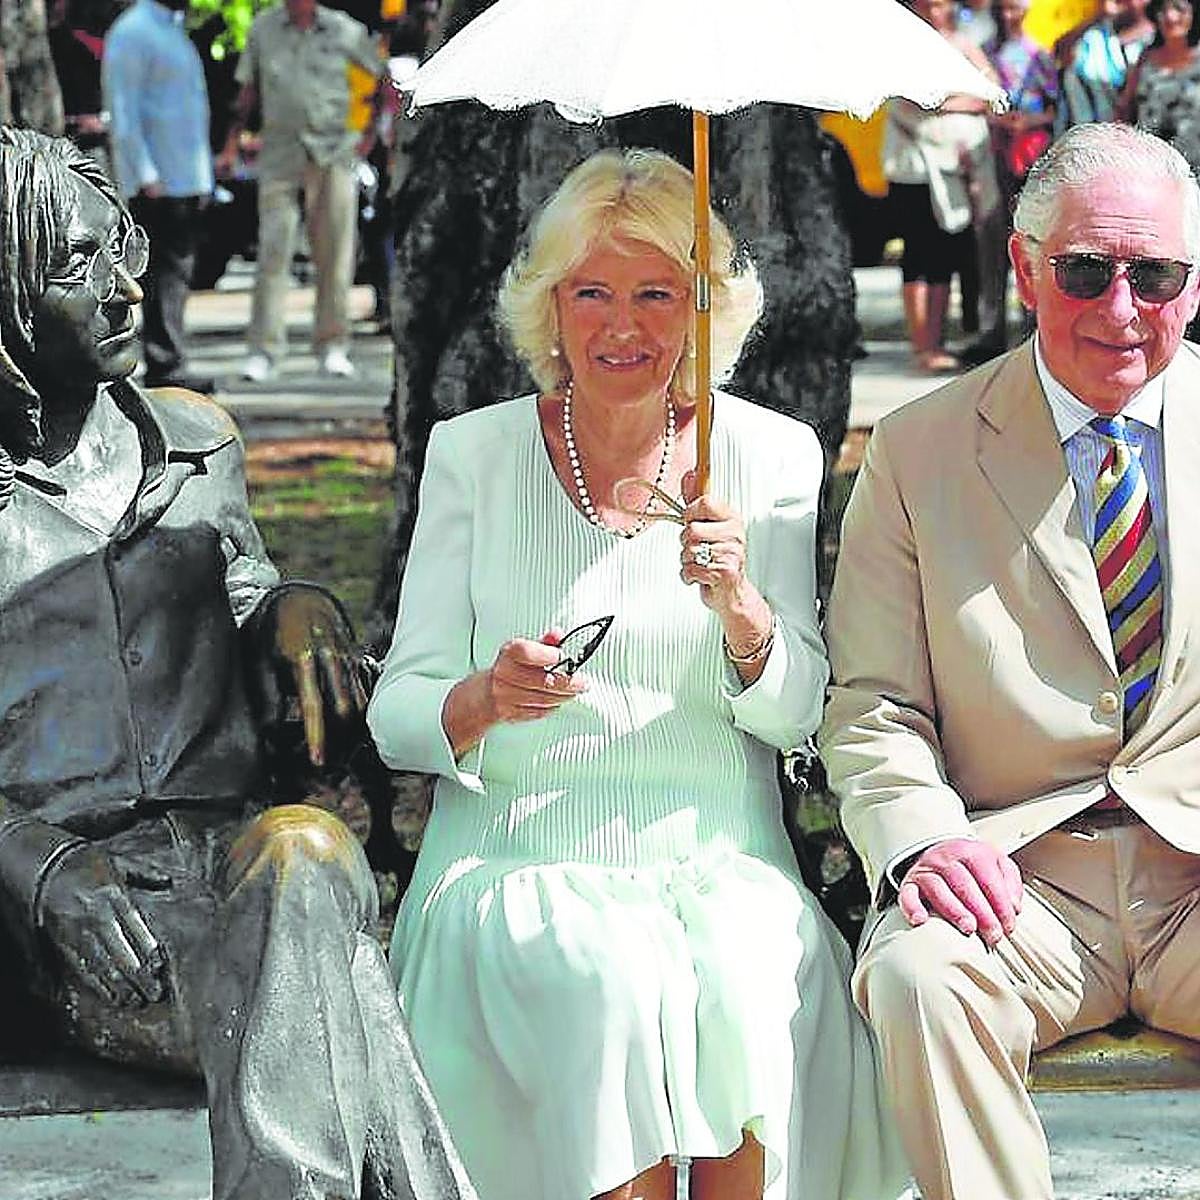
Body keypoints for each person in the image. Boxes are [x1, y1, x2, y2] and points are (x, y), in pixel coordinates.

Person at [366, 147, 908, 1200]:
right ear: (550, 309)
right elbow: (398, 716)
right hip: (520, 860)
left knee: (755, 979)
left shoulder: (772, 456)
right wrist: (483, 699)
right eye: (594, 293)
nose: (624, 326)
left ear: (704, 310)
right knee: (604, 981)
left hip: (721, 860)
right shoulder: (473, 454)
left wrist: (744, 609)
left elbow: (801, 715)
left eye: (658, 293)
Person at [0, 128, 475, 1200]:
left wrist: (301, 608)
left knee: (302, 861)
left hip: (242, 866)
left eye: (120, 241)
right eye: (76, 267)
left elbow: (247, 590)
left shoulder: (199, 444)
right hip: (80, 924)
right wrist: (37, 864)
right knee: (323, 938)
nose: (126, 288)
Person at [819, 122, 1200, 1200]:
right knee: (917, 977)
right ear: (1026, 268)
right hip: (1020, 884)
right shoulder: (919, 447)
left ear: (1196, 283)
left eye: (1155, 275)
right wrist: (923, 842)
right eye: (1085, 271)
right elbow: (873, 705)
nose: (1121, 310)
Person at [216, 0, 383, 383]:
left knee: (336, 254)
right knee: (272, 252)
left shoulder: (345, 30)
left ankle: (333, 345)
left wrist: (368, 136)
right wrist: (231, 144)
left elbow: (377, 82)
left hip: (335, 153)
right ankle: (263, 350)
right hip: (280, 153)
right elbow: (247, 93)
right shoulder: (263, 29)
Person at [883, 0, 1002, 373]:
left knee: (942, 258)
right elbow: (915, 100)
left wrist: (951, 103)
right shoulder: (904, 42)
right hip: (915, 169)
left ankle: (937, 341)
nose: (937, 10)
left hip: (954, 169)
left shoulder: (964, 42)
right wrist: (960, 102)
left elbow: (992, 91)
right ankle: (923, 346)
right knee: (917, 258)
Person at [103, 0, 216, 393]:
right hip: (159, 182)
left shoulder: (173, 29)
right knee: (159, 278)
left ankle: (170, 358)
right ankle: (165, 364)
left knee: (177, 276)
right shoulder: (133, 32)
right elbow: (124, 111)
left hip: (184, 178)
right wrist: (146, 175)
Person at [977, 0, 1058, 360]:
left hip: (1030, 155)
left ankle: (1031, 325)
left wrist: (1028, 122)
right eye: (1004, 9)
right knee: (992, 241)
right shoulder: (986, 52)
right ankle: (990, 327)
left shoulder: (1037, 54)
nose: (1009, 15)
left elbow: (1054, 106)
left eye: (1015, 8)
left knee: (1031, 240)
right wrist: (999, 121)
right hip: (993, 153)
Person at [1055, 0, 1154, 131]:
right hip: (1079, 133)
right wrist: (1097, 16)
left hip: (1122, 139)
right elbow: (1061, 53)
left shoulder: (1159, 42)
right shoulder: (1095, 34)